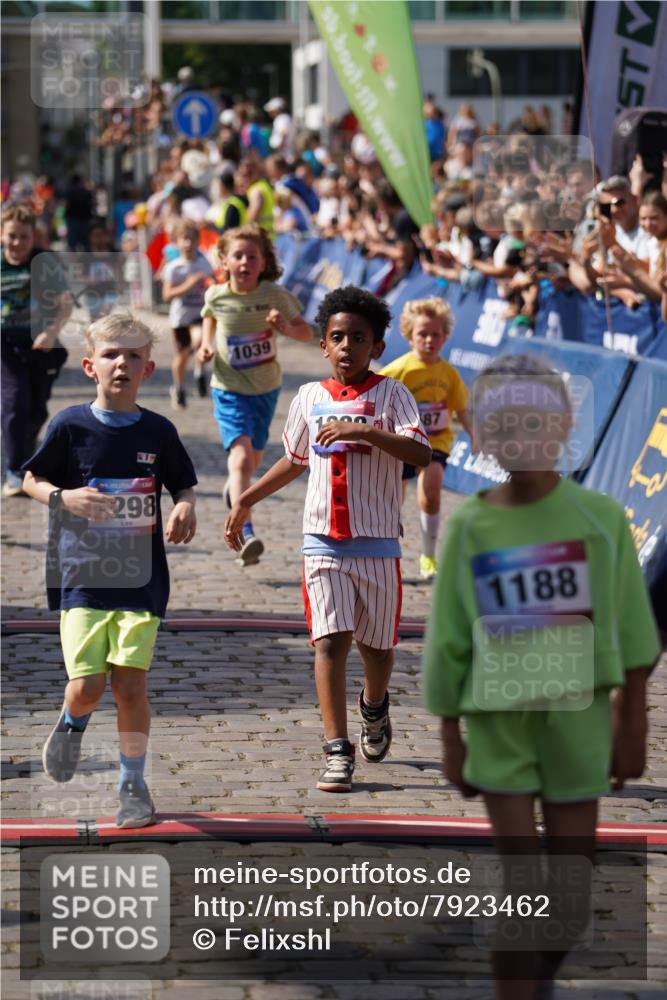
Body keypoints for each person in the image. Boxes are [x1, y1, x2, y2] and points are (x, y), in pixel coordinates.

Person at [423, 354, 659, 998]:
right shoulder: (471, 523)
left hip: (579, 722)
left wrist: (631, 717)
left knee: (571, 894)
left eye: (538, 420)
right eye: (508, 422)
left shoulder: (601, 518)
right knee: (524, 886)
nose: (524, 435)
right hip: (500, 724)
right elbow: (448, 636)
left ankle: (537, 980)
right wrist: (449, 734)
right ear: (486, 435)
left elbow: (635, 627)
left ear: (564, 426)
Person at [224, 286, 432, 792]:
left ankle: (375, 707)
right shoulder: (309, 398)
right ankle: (337, 750)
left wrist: (364, 433)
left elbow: (420, 453)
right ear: (323, 345)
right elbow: (294, 460)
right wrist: (247, 498)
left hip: (379, 545)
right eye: (337, 337)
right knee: (330, 644)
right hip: (321, 543)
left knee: (377, 648)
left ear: (377, 347)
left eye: (358, 338)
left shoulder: (393, 395)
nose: (346, 346)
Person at [22, 313, 197, 828]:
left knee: (129, 687)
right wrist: (61, 496)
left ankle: (131, 784)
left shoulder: (159, 431)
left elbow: (183, 484)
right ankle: (73, 723)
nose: (122, 363)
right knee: (88, 686)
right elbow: (31, 477)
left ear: (149, 369)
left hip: (141, 580)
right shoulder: (70, 426)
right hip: (80, 575)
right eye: (112, 355)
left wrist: (186, 505)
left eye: (134, 356)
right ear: (90, 365)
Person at [198, 223, 311, 565]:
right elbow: (209, 319)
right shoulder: (216, 295)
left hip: (265, 388)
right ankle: (245, 531)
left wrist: (285, 328)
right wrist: (205, 345)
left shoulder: (274, 295)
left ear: (263, 263)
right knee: (243, 459)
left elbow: (307, 333)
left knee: (253, 459)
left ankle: (234, 490)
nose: (245, 262)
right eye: (238, 256)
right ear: (224, 261)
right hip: (228, 388)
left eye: (252, 256)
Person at [380, 298, 471, 579]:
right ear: (409, 336)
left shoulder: (449, 373)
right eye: (422, 334)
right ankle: (386, 548)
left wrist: (475, 435)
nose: (429, 340)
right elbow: (375, 403)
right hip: (401, 442)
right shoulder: (396, 372)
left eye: (436, 334)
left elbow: (461, 407)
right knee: (393, 497)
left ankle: (429, 556)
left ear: (445, 337)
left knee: (431, 492)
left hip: (436, 442)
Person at [1, 202, 71, 497]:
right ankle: (14, 470)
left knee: (37, 409)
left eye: (24, 237)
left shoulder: (45, 263)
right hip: (5, 344)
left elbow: (65, 304)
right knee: (15, 400)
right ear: (2, 235)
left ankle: (24, 448)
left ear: (34, 237)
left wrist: (50, 332)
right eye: (11, 236)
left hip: (41, 344)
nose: (17, 243)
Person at [160, 218, 215, 408]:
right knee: (182, 356)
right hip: (180, 317)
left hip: (200, 313)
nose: (188, 243)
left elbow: (213, 284)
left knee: (200, 340)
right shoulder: (173, 267)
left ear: (198, 241)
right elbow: (166, 296)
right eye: (184, 239)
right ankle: (179, 387)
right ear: (176, 242)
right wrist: (188, 285)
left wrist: (212, 285)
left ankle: (200, 373)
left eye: (192, 239)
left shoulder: (204, 263)